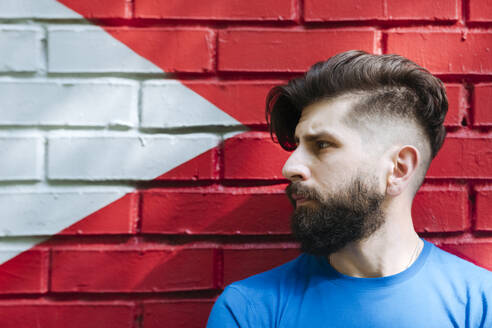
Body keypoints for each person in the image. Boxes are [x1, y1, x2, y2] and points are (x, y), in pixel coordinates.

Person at [206, 50, 492, 327]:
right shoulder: (249, 311)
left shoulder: (480, 307)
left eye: (322, 145)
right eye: (298, 145)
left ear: (398, 169)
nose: (290, 167)